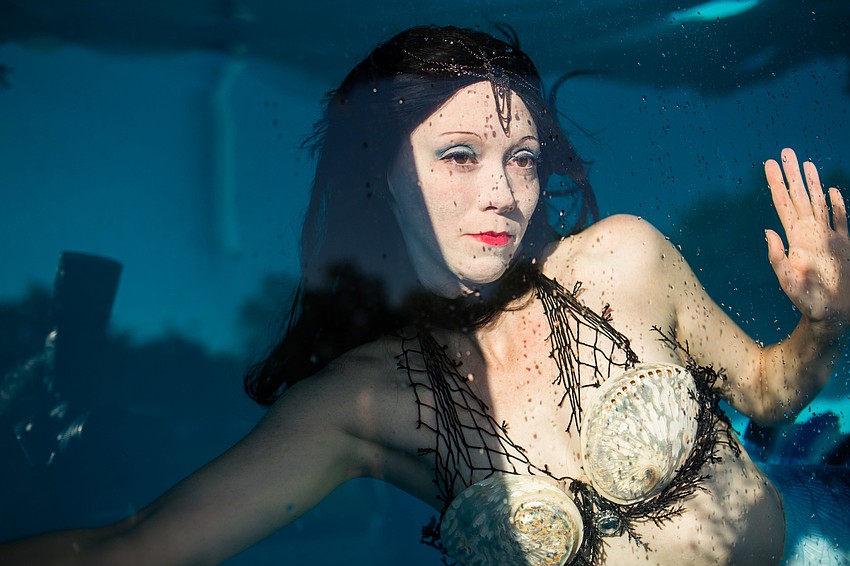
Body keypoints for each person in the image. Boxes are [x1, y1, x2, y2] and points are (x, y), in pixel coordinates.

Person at [2, 25, 848, 566]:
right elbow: (132, 547)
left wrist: (825, 321)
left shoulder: (622, 259)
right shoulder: (362, 402)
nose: (503, 194)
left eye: (523, 159)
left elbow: (771, 391)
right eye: (459, 156)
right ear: (384, 179)